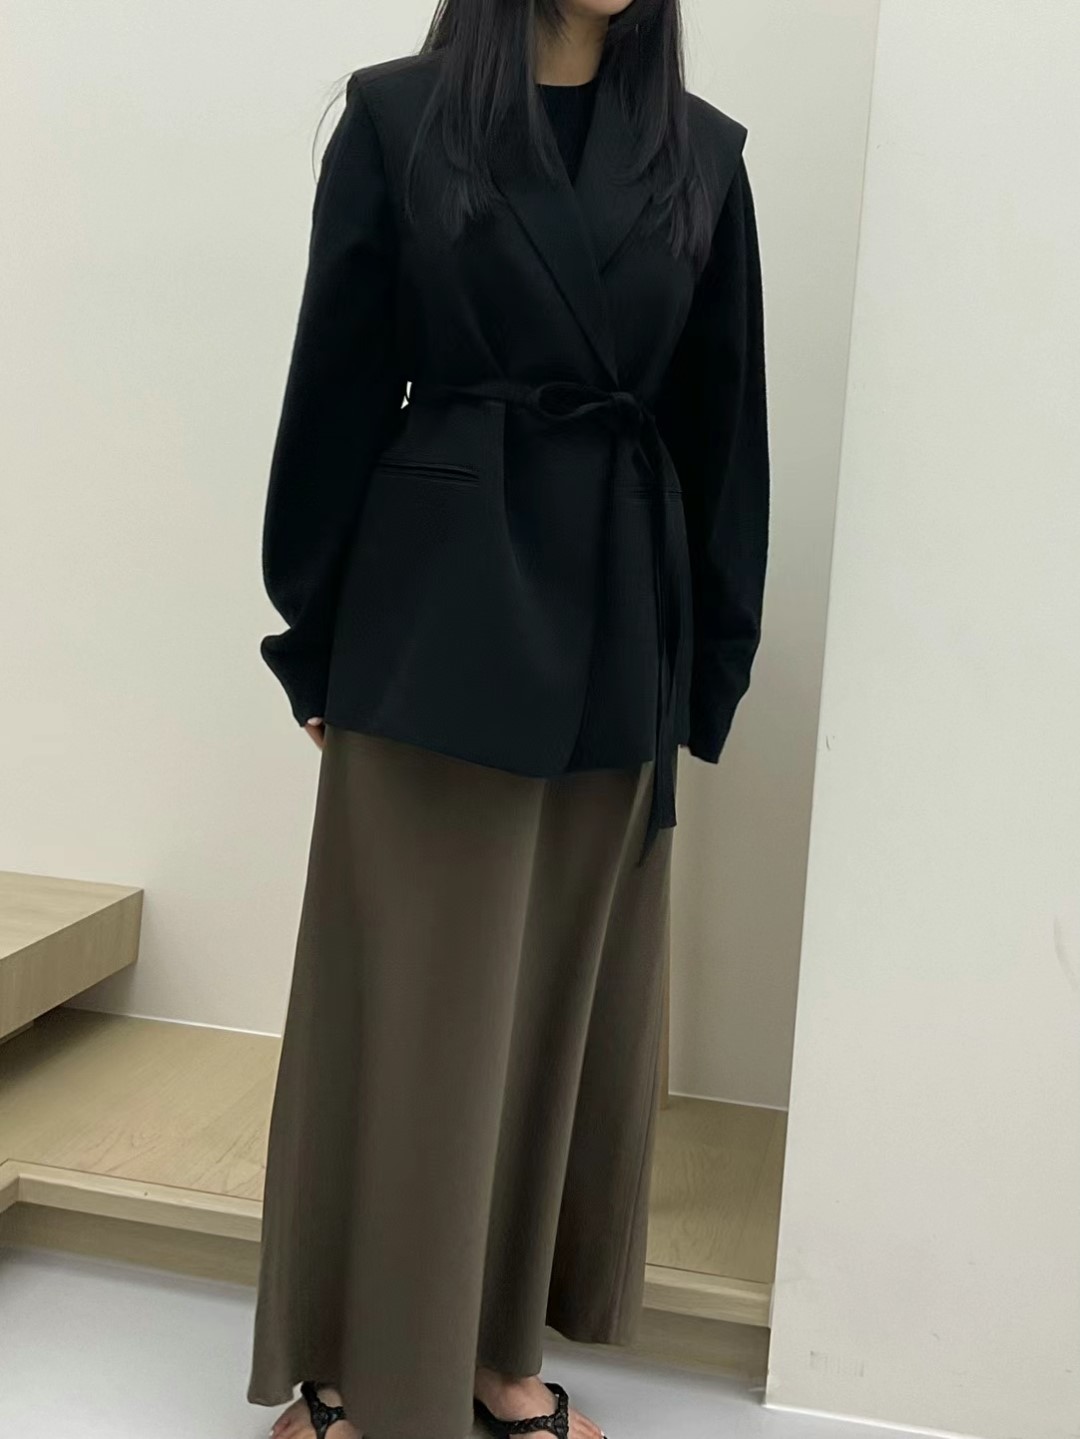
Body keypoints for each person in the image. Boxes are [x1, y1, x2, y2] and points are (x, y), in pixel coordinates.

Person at [246, 1, 770, 1436]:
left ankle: (493, 1355)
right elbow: (337, 388)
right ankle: (349, 1364)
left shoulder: (703, 157)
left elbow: (724, 429)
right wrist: (315, 642)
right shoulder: (397, 119)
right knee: (403, 1012)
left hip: (618, 621)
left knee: (556, 1020)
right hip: (432, 624)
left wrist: (709, 663)